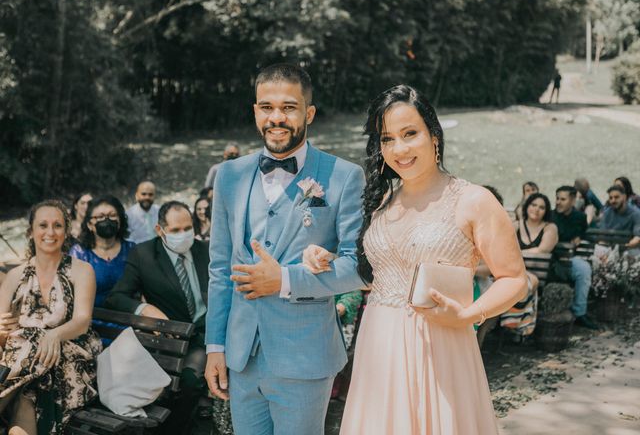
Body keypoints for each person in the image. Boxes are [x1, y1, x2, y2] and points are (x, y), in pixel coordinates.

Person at [335, 85, 527, 434]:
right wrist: (326, 259)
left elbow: (515, 279)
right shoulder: (381, 203)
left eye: (410, 134)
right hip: (378, 349)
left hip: (441, 347)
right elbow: (376, 273)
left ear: (434, 136)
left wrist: (470, 314)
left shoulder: (473, 200)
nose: (399, 149)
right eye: (388, 138)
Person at [204, 63, 365, 435]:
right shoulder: (230, 175)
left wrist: (285, 280)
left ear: (309, 113)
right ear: (255, 111)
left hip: (305, 357)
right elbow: (220, 269)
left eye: (289, 107)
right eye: (267, 107)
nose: (277, 117)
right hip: (242, 355)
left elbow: (357, 268)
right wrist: (216, 345)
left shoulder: (344, 176)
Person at [106, 201, 232, 434]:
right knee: (190, 379)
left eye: (187, 228)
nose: (183, 234)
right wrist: (145, 310)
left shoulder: (206, 250)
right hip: (174, 339)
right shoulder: (144, 255)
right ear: (160, 230)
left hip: (212, 330)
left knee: (192, 381)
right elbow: (117, 297)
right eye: (175, 230)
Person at [0, 200, 102, 433]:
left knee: (32, 338)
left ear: (66, 232)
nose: (50, 232)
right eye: (43, 225)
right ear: (31, 231)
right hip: (27, 369)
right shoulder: (14, 276)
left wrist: (53, 335)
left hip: (71, 358)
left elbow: (82, 322)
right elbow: (3, 333)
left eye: (57, 225)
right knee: (30, 391)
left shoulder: (81, 270)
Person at [501, 193, 558, 337]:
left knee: (524, 284)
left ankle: (513, 325)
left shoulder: (550, 228)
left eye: (542, 207)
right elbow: (504, 246)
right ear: (527, 206)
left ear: (546, 211)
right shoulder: (515, 225)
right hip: (512, 272)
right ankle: (515, 325)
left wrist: (517, 253)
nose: (536, 209)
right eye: (533, 205)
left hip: (537, 273)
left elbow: (543, 249)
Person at [69, 196, 135, 307]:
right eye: (100, 217)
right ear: (90, 225)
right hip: (90, 320)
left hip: (129, 319)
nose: (107, 220)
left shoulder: (132, 250)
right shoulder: (79, 253)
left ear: (120, 221)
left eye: (112, 215)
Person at [551, 186, 598, 329]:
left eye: (563, 199)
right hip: (550, 257)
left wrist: (574, 238)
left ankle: (579, 313)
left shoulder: (580, 217)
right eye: (557, 198)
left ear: (572, 200)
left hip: (568, 258)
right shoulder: (550, 215)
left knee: (583, 270)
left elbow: (579, 236)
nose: (558, 202)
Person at [599, 186, 640, 254]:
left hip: (630, 249)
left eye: (616, 197)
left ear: (624, 197)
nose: (613, 200)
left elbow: (637, 238)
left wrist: (626, 247)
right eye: (610, 198)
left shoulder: (636, 213)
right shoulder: (607, 213)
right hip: (610, 250)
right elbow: (602, 238)